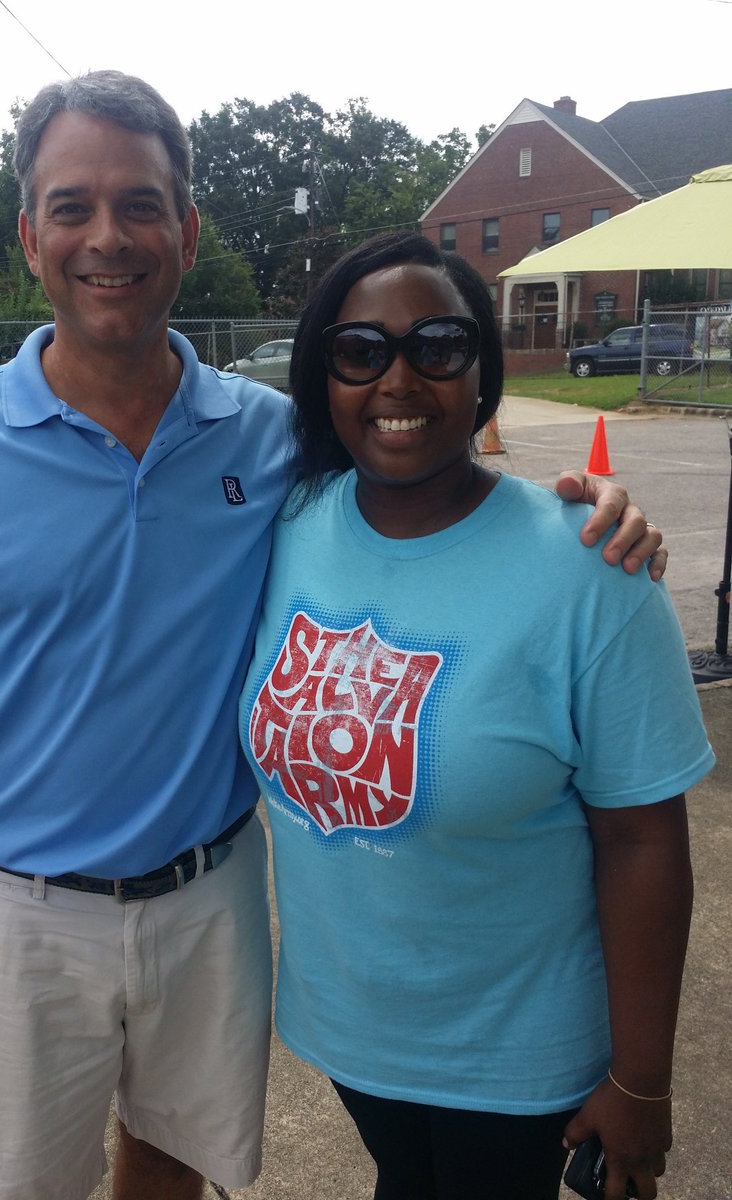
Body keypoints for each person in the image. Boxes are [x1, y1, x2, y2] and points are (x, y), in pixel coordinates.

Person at [0, 72, 665, 1200]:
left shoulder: (273, 443)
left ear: (187, 227)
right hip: (12, 917)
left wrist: (597, 517)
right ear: (29, 233)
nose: (107, 236)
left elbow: (428, 479)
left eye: (140, 203)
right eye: (72, 206)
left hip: (209, 897)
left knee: (173, 1175)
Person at [239, 232, 713, 1200]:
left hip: (516, 1053)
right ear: (324, 375)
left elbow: (643, 842)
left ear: (483, 372)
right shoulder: (286, 525)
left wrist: (642, 1080)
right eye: (360, 351)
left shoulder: (591, 572)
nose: (398, 380)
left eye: (439, 347)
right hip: (348, 1031)